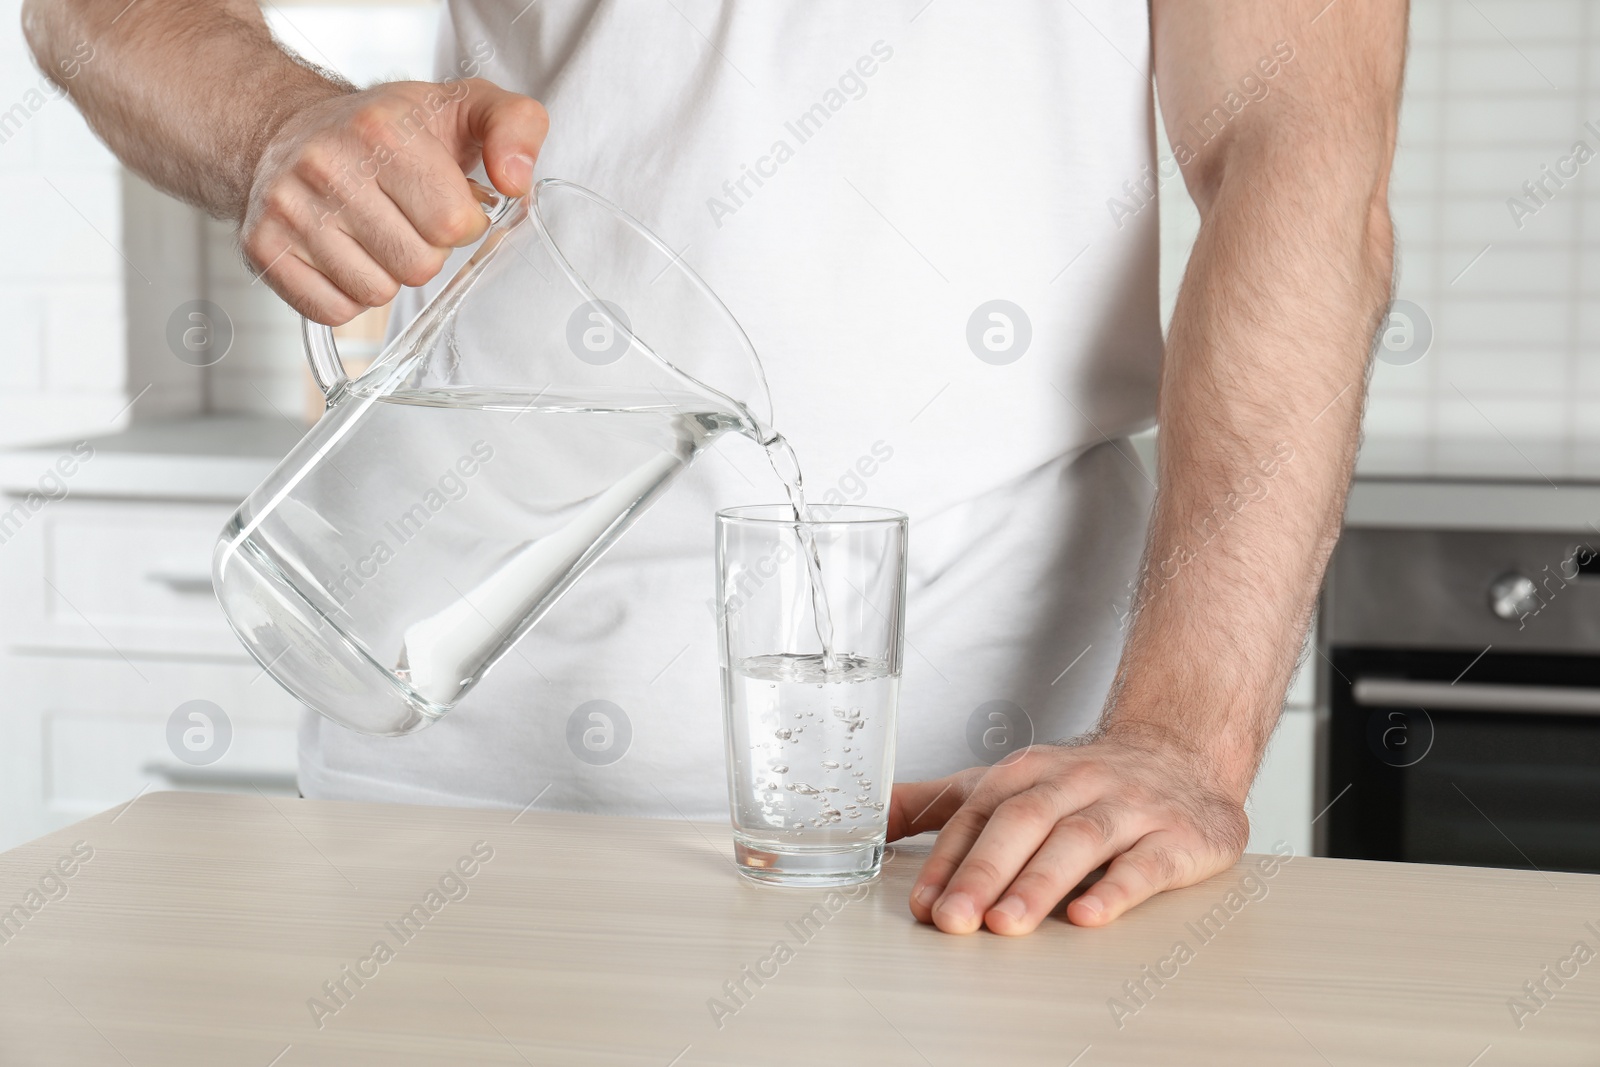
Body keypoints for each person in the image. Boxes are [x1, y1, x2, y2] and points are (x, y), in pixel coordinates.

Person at [24, 0, 1403, 936]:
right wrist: (277, 126)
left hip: (976, 833)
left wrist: (1175, 739)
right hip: (444, 777)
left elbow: (1296, 154)